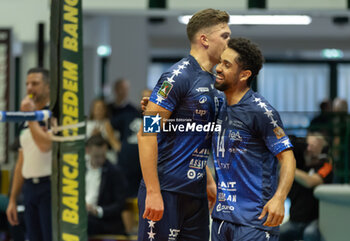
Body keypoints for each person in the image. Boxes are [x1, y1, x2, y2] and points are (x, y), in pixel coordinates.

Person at [137, 8, 230, 241]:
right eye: (225, 36)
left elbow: (195, 138)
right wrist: (153, 191)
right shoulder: (177, 76)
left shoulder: (214, 83)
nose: (230, 42)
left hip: (195, 194)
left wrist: (208, 181)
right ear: (204, 39)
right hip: (167, 191)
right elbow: (147, 134)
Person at [211, 38, 296, 241]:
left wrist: (279, 198)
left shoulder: (261, 111)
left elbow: (288, 159)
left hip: (255, 221)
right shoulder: (217, 105)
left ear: (245, 74)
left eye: (227, 65)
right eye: (220, 62)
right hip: (221, 218)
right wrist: (153, 109)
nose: (218, 68)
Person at [6, 67, 52, 241]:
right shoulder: (26, 118)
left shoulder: (53, 114)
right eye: (27, 84)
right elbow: (21, 161)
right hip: (29, 187)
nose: (30, 88)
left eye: (35, 83)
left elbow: (45, 146)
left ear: (47, 87)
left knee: (49, 236)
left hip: (49, 186)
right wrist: (13, 199)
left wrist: (31, 115)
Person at [280, 132, 332, 241]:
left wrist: (287, 166)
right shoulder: (300, 164)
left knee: (310, 233)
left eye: (313, 146)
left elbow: (310, 182)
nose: (308, 149)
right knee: (276, 234)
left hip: (315, 220)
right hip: (295, 220)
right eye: (308, 145)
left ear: (322, 149)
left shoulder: (325, 166)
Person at [85, 134, 127, 236]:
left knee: (85, 223)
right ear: (88, 151)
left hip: (104, 221)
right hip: (83, 215)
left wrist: (97, 211)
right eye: (96, 156)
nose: (101, 159)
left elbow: (120, 204)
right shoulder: (80, 169)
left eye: (103, 155)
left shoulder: (115, 172)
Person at [108, 78, 143, 198]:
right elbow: (109, 125)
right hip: (126, 158)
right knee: (124, 194)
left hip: (143, 160)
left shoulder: (156, 118)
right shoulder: (131, 114)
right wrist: (115, 144)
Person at [87, 98, 121, 163]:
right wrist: (93, 136)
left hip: (109, 157)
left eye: (102, 108)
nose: (99, 111)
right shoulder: (88, 125)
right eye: (97, 108)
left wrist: (104, 136)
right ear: (92, 110)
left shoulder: (110, 124)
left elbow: (116, 145)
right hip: (92, 159)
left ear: (105, 110)